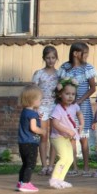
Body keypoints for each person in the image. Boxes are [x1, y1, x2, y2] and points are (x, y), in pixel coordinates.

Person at [59, 42, 97, 176]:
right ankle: (73, 166)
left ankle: (86, 167)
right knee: (71, 137)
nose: (86, 56)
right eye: (84, 53)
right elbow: (60, 86)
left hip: (83, 107)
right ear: (75, 53)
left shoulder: (87, 68)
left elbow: (93, 88)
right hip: (68, 107)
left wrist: (80, 100)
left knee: (83, 137)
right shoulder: (65, 68)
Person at [49, 78, 81, 190]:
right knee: (63, 158)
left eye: (73, 94)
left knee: (70, 159)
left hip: (66, 138)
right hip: (58, 137)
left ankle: (60, 179)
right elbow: (55, 123)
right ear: (60, 95)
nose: (70, 96)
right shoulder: (58, 109)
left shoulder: (74, 106)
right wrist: (67, 130)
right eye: (67, 94)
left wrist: (81, 124)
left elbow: (79, 113)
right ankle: (54, 179)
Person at [32, 45, 59, 176]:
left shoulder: (59, 74)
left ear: (56, 59)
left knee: (54, 136)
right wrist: (35, 107)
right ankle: (43, 165)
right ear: (44, 58)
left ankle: (51, 165)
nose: (50, 60)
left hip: (55, 107)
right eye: (48, 58)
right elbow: (33, 91)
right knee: (43, 136)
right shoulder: (39, 73)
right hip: (42, 106)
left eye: (53, 58)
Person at [17, 84, 44, 193]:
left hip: (22, 142)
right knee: (31, 164)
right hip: (30, 142)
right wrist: (43, 131)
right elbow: (33, 128)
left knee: (25, 164)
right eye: (39, 99)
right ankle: (26, 183)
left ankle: (20, 182)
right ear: (33, 100)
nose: (40, 101)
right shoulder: (32, 113)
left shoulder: (25, 112)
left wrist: (38, 118)